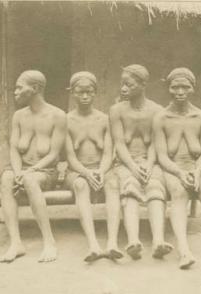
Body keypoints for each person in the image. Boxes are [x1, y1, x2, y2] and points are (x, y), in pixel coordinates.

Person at [153, 67, 201, 269]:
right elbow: (161, 155)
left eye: (184, 87)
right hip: (173, 167)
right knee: (178, 193)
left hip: (198, 166)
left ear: (192, 88)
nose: (180, 92)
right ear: (168, 89)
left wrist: (196, 171)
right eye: (175, 87)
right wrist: (179, 172)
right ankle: (184, 251)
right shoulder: (161, 119)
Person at [0, 70, 66, 263]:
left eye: (20, 87)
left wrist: (29, 171)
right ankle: (16, 243)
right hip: (22, 169)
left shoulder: (58, 116)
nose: (15, 92)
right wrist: (19, 171)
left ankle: (49, 241)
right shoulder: (18, 116)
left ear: (35, 88)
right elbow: (13, 149)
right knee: (6, 178)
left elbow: (54, 154)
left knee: (28, 179)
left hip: (45, 172)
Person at [109, 64, 173, 260]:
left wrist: (149, 163)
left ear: (143, 84)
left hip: (150, 162)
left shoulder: (157, 111)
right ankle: (133, 241)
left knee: (155, 186)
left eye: (129, 84)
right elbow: (119, 144)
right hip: (125, 163)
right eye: (122, 84)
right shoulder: (116, 110)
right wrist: (134, 167)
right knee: (130, 186)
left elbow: (156, 143)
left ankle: (158, 241)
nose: (123, 88)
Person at [64, 71, 123, 263]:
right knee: (81, 186)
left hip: (102, 168)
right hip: (77, 171)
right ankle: (93, 245)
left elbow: (108, 153)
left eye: (89, 91)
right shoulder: (66, 121)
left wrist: (100, 171)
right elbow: (71, 158)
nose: (85, 96)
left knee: (113, 185)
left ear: (95, 92)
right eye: (80, 92)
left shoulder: (104, 119)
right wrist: (87, 173)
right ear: (73, 93)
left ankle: (112, 243)